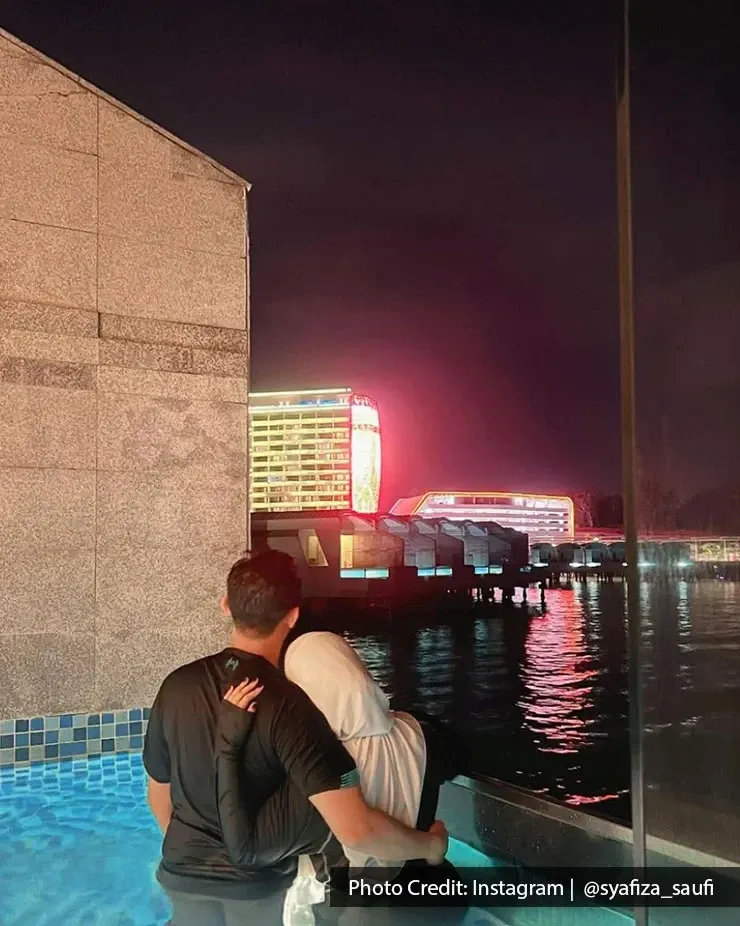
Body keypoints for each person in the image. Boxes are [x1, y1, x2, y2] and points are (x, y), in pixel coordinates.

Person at [143, 550, 448, 926]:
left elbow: (159, 796)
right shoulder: (293, 707)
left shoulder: (176, 686)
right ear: (292, 615)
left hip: (180, 876)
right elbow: (356, 828)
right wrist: (431, 847)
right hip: (255, 891)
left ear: (226, 606)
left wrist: (195, 856)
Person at [215, 631, 465, 925]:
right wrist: (432, 846)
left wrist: (228, 746)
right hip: (421, 885)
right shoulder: (420, 732)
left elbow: (256, 848)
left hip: (348, 897)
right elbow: (458, 759)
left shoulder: (309, 764)